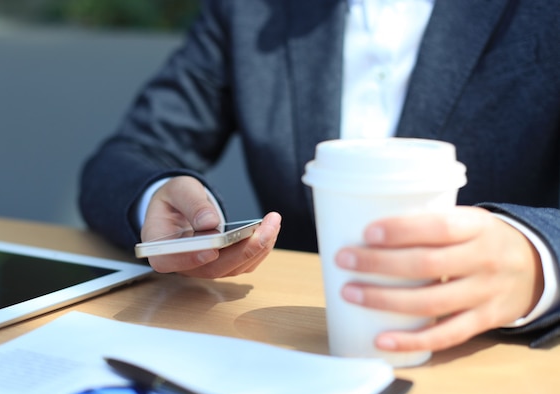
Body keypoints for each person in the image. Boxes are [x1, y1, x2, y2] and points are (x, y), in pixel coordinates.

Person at [79, 0, 560, 354]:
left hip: (494, 364)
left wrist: (539, 258)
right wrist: (156, 197)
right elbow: (128, 155)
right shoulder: (253, 11)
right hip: (294, 352)